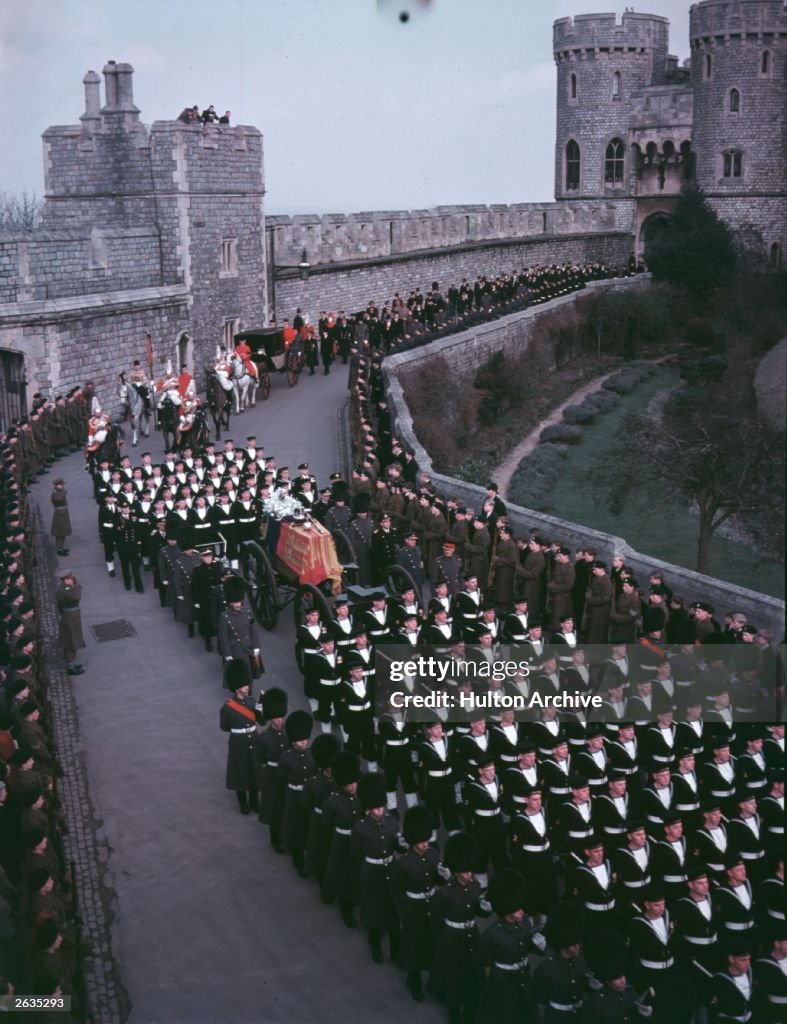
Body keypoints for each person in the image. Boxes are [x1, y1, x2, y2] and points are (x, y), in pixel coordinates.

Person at [429, 832, 487, 1024]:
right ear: (455, 871)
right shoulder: (445, 893)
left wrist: (485, 909)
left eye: (470, 870)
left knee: (473, 973)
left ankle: (471, 1008)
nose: (469, 874)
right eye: (464, 871)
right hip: (452, 938)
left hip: (471, 935)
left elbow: (477, 910)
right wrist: (444, 938)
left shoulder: (475, 886)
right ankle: (454, 1011)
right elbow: (436, 919)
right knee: (455, 977)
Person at [391, 805, 441, 1003]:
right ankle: (414, 979)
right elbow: (397, 892)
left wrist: (443, 878)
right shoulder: (403, 864)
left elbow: (436, 879)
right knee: (414, 945)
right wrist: (405, 912)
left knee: (432, 941)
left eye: (426, 839)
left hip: (431, 904)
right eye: (421, 841)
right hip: (414, 907)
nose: (425, 844)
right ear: (412, 842)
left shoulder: (433, 854)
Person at [351, 771, 402, 965]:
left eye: (381, 807)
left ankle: (397, 951)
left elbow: (396, 845)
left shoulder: (392, 823)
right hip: (372, 873)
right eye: (375, 809)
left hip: (391, 869)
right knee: (375, 910)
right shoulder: (360, 828)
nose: (379, 812)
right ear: (368, 809)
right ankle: (375, 945)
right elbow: (356, 852)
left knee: (394, 911)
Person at [477, 868, 538, 1024]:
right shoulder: (491, 934)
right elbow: (484, 960)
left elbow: (526, 945)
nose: (522, 911)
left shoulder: (524, 922)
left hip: (524, 977)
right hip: (503, 983)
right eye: (517, 908)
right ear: (507, 909)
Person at [219, 659, 259, 815]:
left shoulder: (252, 702)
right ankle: (243, 803)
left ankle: (255, 802)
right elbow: (224, 726)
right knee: (240, 773)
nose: (247, 687)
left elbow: (260, 720)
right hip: (238, 742)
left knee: (254, 772)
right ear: (237, 688)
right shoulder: (228, 707)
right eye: (244, 685)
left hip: (253, 739)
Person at [55, 570, 85, 676]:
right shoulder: (65, 590)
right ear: (66, 580)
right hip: (70, 617)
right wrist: (75, 585)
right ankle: (70, 666)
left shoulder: (63, 589)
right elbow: (77, 595)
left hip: (70, 615)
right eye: (70, 578)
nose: (73, 579)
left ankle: (71, 663)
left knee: (73, 640)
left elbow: (60, 607)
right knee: (70, 641)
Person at [49, 478, 71, 557]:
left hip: (63, 513)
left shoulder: (58, 491)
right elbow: (59, 499)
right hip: (59, 514)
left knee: (63, 531)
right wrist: (64, 492)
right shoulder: (55, 493)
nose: (63, 486)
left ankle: (61, 547)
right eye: (61, 485)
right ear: (57, 485)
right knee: (60, 532)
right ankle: (59, 548)